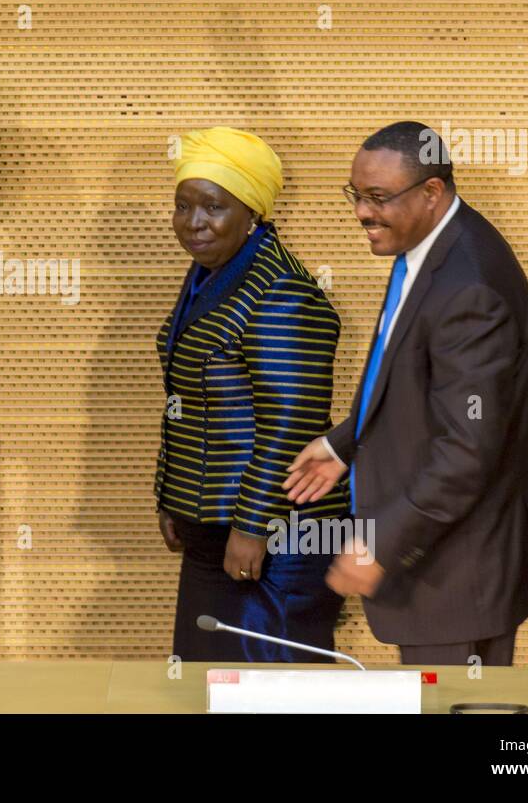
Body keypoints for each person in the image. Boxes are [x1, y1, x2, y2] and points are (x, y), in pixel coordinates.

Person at [283, 121, 528, 667]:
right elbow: (407, 372)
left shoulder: (471, 287)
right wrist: (346, 443)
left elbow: (467, 451)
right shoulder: (428, 243)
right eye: (356, 196)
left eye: (378, 198)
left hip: (459, 579)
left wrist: (380, 544)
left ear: (432, 193)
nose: (361, 212)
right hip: (445, 568)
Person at [155, 127, 348, 661]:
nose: (194, 222)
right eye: (183, 206)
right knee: (203, 681)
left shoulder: (280, 289)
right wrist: (170, 496)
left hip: (274, 538)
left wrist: (252, 526)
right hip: (213, 530)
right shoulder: (211, 273)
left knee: (269, 692)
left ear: (252, 213)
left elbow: (292, 422)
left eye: (213, 207)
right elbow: (186, 398)